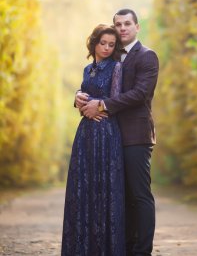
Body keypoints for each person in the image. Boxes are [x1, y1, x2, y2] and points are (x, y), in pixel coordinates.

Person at [76, 9, 159, 256]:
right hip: (109, 136)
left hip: (135, 136)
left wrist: (102, 105)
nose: (122, 28)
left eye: (127, 24)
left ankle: (142, 252)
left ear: (137, 27)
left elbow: (140, 93)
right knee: (118, 195)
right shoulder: (111, 56)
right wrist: (78, 97)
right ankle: (124, 247)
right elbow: (96, 83)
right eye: (118, 24)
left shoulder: (146, 56)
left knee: (139, 195)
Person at [61, 24, 125, 256]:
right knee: (84, 187)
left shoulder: (117, 67)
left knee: (104, 187)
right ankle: (83, 247)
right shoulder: (87, 69)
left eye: (111, 44)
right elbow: (83, 96)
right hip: (86, 133)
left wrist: (96, 107)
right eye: (103, 43)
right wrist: (77, 99)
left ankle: (105, 248)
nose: (107, 48)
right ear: (94, 43)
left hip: (106, 132)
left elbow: (116, 100)